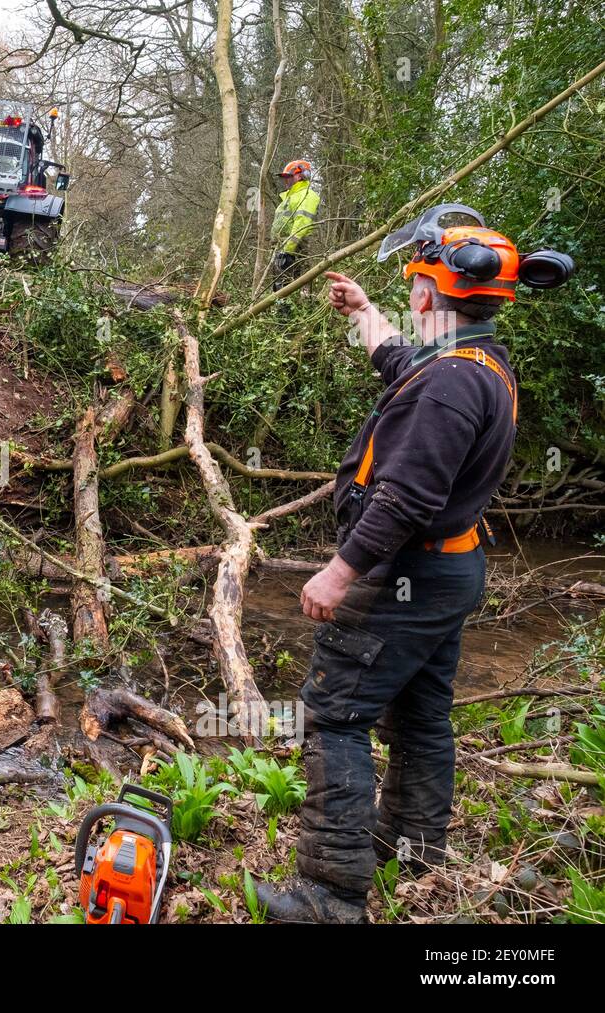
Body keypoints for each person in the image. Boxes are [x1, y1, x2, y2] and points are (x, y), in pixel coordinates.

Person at [256, 206, 527, 923]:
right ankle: (412, 846)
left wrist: (340, 570)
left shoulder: (448, 387)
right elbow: (403, 363)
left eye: (409, 282)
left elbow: (405, 496)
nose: (409, 292)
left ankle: (329, 895)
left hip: (408, 573)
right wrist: (365, 314)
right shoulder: (477, 363)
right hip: (452, 570)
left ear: (428, 293)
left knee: (335, 714)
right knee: (420, 711)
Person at [270, 159, 321, 291]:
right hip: (283, 249)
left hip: (298, 250)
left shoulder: (307, 195)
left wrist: (288, 250)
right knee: (280, 288)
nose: (285, 180)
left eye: (288, 177)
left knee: (297, 288)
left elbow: (302, 223)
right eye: (284, 178)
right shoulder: (289, 197)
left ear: (299, 176)